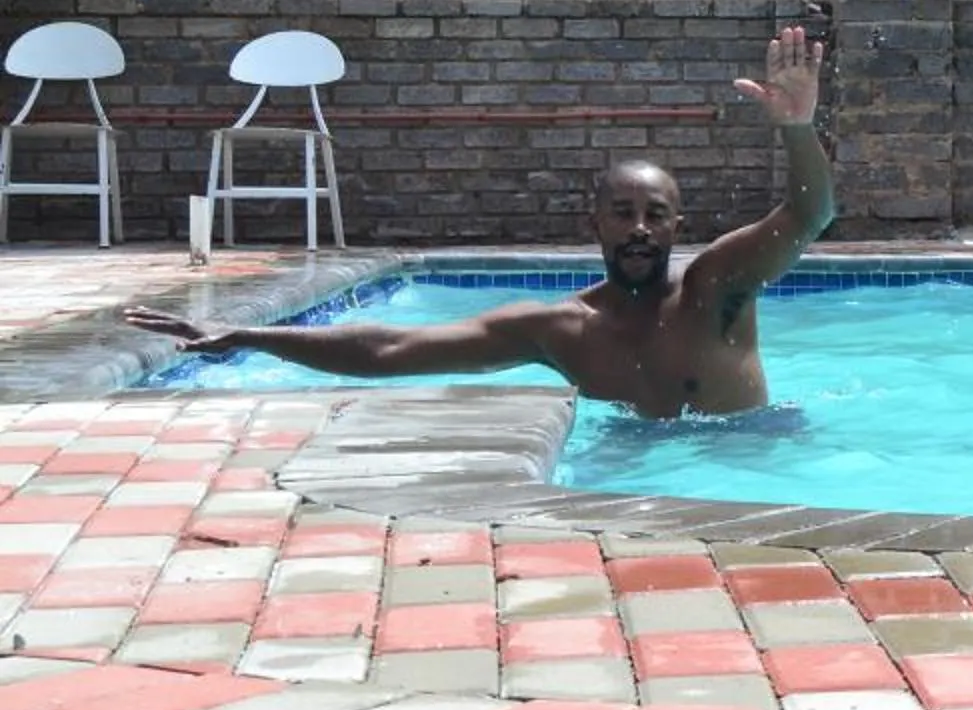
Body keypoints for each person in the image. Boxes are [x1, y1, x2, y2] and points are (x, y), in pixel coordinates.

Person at [126, 24, 834, 421]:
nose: (640, 228)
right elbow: (389, 350)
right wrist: (249, 335)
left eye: (656, 215)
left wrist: (797, 128)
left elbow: (811, 214)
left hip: (754, 465)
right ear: (595, 223)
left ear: (679, 226)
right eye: (623, 214)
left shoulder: (717, 289)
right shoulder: (560, 329)